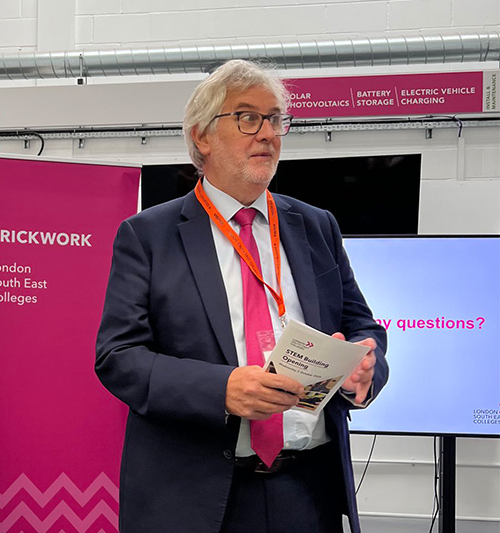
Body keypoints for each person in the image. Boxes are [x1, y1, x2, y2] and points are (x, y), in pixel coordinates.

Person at [95, 60, 388, 533]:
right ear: (202, 137)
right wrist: (222, 390)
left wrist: (364, 369)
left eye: (276, 119)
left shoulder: (316, 226)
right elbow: (118, 358)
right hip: (196, 497)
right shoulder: (149, 235)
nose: (268, 133)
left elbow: (362, 326)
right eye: (248, 117)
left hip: (308, 491)